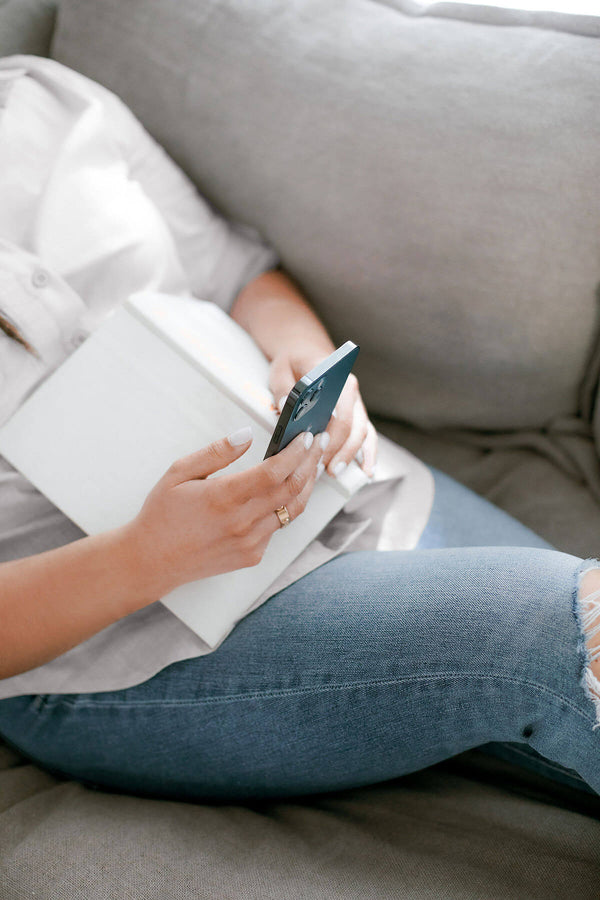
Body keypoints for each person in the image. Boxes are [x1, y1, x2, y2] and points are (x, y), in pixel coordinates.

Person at [0, 55, 599, 803]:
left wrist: (312, 363)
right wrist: (145, 558)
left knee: (579, 668)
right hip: (126, 647)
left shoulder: (46, 98)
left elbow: (239, 275)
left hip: (345, 496)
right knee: (567, 631)